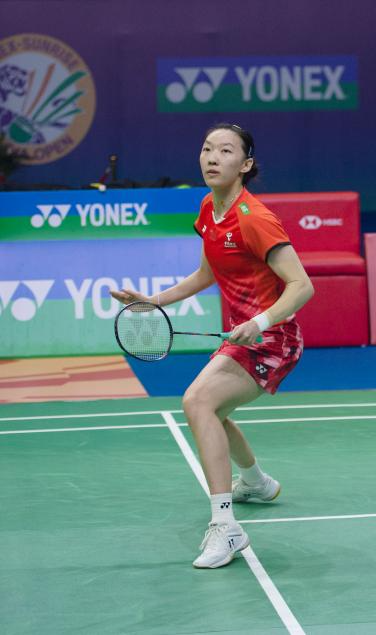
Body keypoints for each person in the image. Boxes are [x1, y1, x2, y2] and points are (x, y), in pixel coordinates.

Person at [112, 123, 314, 568]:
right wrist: (153, 301)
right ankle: (256, 483)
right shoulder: (209, 208)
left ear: (245, 165)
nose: (212, 158)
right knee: (210, 409)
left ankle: (226, 527)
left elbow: (302, 286)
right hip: (244, 337)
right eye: (207, 149)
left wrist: (259, 322)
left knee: (198, 402)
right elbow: (207, 273)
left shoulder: (255, 218)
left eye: (225, 151)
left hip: (273, 340)